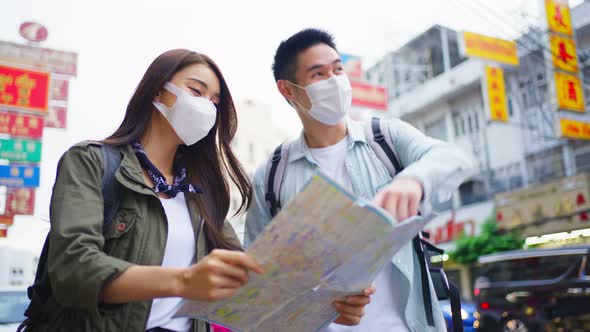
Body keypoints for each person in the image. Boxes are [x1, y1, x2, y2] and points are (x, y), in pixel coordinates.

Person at [20, 49, 369, 332]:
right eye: (196, 91)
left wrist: (326, 305)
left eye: (215, 100)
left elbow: (251, 278)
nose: (207, 106)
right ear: (158, 92)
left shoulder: (203, 193)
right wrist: (185, 281)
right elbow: (73, 269)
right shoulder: (91, 162)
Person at [245, 29, 475, 332]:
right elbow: (259, 278)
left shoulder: (386, 138)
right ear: (288, 90)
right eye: (318, 74)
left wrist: (413, 180)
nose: (334, 81)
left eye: (338, 69)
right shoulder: (272, 176)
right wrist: (312, 305)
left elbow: (455, 158)